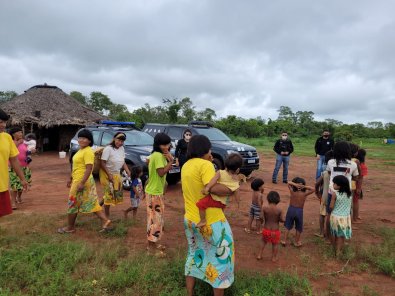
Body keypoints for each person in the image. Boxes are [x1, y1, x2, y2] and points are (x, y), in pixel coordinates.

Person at [182, 135, 235, 295]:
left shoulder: (186, 165)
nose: (211, 152)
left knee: (194, 253)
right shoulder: (206, 165)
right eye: (210, 148)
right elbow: (212, 188)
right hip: (211, 221)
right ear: (205, 149)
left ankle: (190, 293)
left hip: (190, 219)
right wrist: (233, 188)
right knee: (222, 258)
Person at [57, 129, 111, 233]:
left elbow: (89, 168)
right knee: (91, 202)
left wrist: (81, 183)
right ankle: (105, 221)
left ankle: (70, 228)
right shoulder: (80, 150)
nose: (81, 140)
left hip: (82, 181)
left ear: (89, 141)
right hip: (78, 179)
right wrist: (71, 178)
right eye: (80, 137)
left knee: (73, 203)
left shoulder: (87, 151)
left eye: (85, 138)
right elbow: (76, 167)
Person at [145, 133, 174, 255]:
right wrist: (171, 161)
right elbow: (161, 173)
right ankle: (150, 249)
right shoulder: (157, 155)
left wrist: (168, 159)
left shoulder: (158, 155)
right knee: (155, 221)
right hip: (154, 193)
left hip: (155, 192)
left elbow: (148, 162)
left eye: (167, 144)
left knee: (156, 220)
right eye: (163, 144)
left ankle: (153, 245)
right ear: (157, 145)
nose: (166, 146)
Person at [197, 153, 242, 227]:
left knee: (200, 204)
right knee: (220, 212)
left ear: (225, 164)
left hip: (215, 199)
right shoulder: (236, 180)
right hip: (223, 202)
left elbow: (213, 180)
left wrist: (207, 188)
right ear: (237, 169)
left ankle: (203, 220)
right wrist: (238, 203)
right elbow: (237, 192)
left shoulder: (220, 173)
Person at [326, 141, 358, 238]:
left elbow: (328, 172)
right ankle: (342, 234)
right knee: (345, 213)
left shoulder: (331, 162)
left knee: (329, 213)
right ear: (348, 151)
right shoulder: (353, 164)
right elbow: (356, 177)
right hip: (345, 193)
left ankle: (328, 235)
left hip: (332, 191)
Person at [0, 109, 28, 218]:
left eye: (4, 122)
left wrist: (22, 178)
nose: (3, 125)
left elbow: (14, 160)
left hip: (2, 185)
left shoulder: (6, 137)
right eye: (0, 122)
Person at [99, 132, 131, 219]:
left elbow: (123, 161)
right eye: (118, 140)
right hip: (106, 174)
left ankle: (98, 206)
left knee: (112, 193)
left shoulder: (122, 148)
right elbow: (102, 162)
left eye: (122, 141)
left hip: (116, 174)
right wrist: (109, 175)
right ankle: (106, 217)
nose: (120, 143)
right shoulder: (108, 149)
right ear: (114, 139)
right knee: (109, 195)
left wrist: (128, 171)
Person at [281, 177, 315, 247]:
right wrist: (303, 186)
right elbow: (313, 189)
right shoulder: (304, 194)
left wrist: (296, 185)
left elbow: (289, 183)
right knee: (299, 227)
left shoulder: (292, 192)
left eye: (301, 185)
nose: (299, 186)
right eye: (298, 185)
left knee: (287, 226)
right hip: (299, 211)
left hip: (291, 210)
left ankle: (284, 240)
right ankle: (296, 242)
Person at [8, 127, 32, 208]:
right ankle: (13, 202)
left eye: (21, 132)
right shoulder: (11, 142)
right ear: (13, 134)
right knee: (14, 185)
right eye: (18, 132)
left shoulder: (24, 143)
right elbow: (11, 149)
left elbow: (26, 152)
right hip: (13, 167)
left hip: (24, 166)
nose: (21, 134)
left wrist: (30, 152)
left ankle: (19, 197)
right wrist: (18, 143)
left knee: (22, 184)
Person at [257, 191, 284, 262]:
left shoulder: (264, 208)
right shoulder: (280, 210)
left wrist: (262, 221)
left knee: (263, 241)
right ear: (278, 199)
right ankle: (274, 258)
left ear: (268, 199)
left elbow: (260, 217)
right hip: (275, 231)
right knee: (275, 244)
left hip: (266, 230)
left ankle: (259, 254)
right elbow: (282, 220)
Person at [329, 175, 352, 257]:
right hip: (345, 218)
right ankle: (339, 251)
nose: (333, 185)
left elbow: (331, 206)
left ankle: (334, 248)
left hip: (335, 217)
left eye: (334, 183)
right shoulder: (349, 194)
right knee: (341, 236)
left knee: (334, 234)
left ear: (339, 185)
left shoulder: (335, 194)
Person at [314, 150, 333, 238]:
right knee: (331, 215)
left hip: (324, 196)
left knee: (322, 214)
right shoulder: (337, 173)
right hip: (334, 197)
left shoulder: (325, 173)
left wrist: (317, 192)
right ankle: (330, 233)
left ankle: (321, 232)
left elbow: (317, 183)